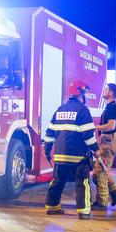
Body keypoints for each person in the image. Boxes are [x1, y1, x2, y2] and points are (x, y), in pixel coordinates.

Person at [43, 81, 100, 220]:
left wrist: (47, 151)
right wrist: (96, 150)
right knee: (82, 183)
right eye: (85, 93)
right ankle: (84, 211)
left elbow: (49, 133)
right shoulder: (82, 110)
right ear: (80, 93)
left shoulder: (60, 110)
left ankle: (52, 207)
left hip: (60, 156)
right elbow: (88, 136)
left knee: (57, 181)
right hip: (78, 157)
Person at [92, 83, 116, 210]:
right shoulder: (111, 107)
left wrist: (96, 127)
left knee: (99, 172)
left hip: (108, 141)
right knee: (102, 170)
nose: (104, 91)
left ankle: (101, 203)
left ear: (111, 93)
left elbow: (111, 126)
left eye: (106, 89)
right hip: (109, 140)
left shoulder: (112, 107)